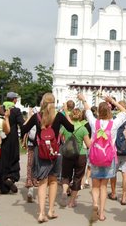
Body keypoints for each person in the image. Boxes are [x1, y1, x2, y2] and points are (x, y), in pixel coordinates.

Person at [21, 92, 75, 223]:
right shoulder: (59, 116)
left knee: (42, 182)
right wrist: (66, 112)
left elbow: (23, 129)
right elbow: (71, 128)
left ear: (42, 102)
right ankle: (51, 210)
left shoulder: (37, 116)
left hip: (41, 151)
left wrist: (29, 117)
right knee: (53, 181)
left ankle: (41, 213)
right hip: (55, 151)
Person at [79, 93, 126, 222]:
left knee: (95, 184)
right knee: (103, 187)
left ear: (99, 112)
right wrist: (112, 100)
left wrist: (84, 99)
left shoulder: (94, 123)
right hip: (108, 158)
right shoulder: (114, 123)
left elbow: (87, 110)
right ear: (109, 111)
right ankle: (101, 213)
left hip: (95, 157)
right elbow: (124, 111)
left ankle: (94, 203)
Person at [59, 108, 91, 208]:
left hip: (68, 154)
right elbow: (88, 144)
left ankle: (64, 191)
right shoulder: (83, 128)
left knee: (65, 175)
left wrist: (66, 141)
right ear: (80, 116)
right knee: (77, 178)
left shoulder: (66, 126)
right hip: (80, 154)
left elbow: (59, 137)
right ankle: (72, 202)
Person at [0, 92, 24, 194]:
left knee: (3, 160)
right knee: (13, 158)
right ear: (14, 99)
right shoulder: (15, 110)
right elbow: (22, 124)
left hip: (1, 137)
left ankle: (2, 185)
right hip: (12, 137)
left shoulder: (0, 109)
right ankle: (11, 178)